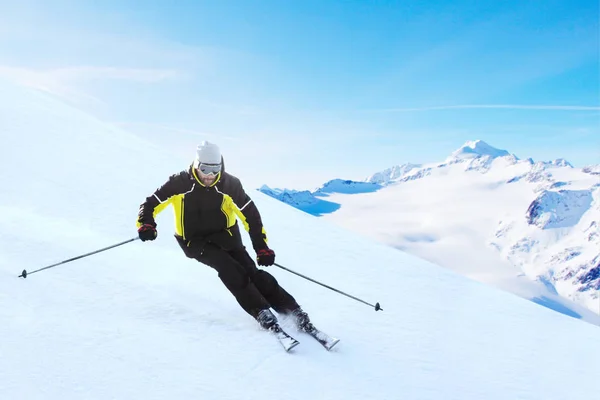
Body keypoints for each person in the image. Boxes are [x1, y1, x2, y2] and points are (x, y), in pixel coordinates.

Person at [136, 141, 314, 333]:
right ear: (196, 165)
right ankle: (261, 311)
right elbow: (150, 203)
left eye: (215, 169)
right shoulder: (179, 183)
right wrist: (147, 224)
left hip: (227, 236)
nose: (210, 176)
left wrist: (261, 247)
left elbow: (251, 216)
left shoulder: (230, 185)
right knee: (229, 268)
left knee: (251, 272)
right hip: (194, 240)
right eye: (205, 169)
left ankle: (293, 311)